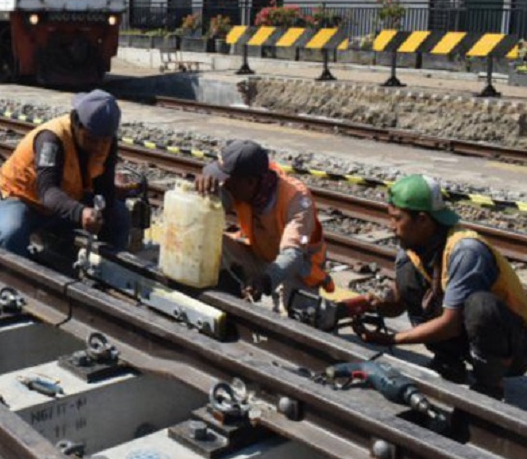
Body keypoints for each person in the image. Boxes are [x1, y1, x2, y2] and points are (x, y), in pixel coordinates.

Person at [356, 174, 527, 399]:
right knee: (407, 271)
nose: (391, 226)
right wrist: (375, 306)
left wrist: (392, 340)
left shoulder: (466, 251)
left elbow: (450, 324)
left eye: (397, 218)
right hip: (469, 333)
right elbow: (399, 303)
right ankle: (448, 362)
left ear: (423, 220)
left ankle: (490, 383)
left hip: (515, 345)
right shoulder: (412, 247)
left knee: (480, 305)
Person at [0, 89, 130, 259]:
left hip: (65, 200)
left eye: (105, 141)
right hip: (23, 199)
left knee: (119, 215)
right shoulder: (51, 139)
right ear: (77, 124)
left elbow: (104, 187)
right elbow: (47, 191)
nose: (99, 147)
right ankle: (19, 280)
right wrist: (81, 213)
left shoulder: (106, 140)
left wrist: (103, 213)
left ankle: (107, 270)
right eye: (91, 140)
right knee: (11, 234)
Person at [195, 139, 334, 303]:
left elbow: (293, 254)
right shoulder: (242, 186)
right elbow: (207, 214)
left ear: (250, 182)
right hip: (261, 256)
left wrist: (267, 280)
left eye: (227, 182)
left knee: (293, 321)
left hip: (299, 269)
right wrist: (202, 195)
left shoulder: (297, 200)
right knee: (212, 243)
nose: (224, 185)